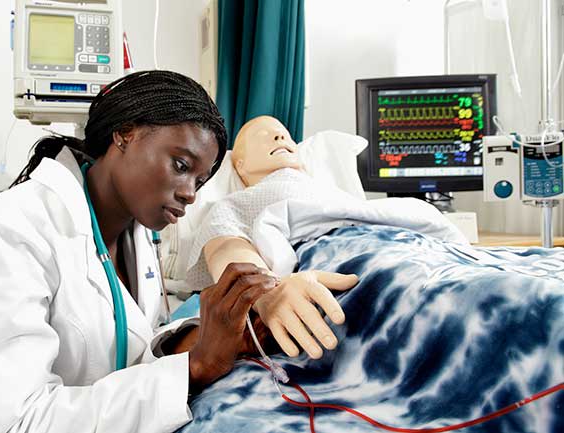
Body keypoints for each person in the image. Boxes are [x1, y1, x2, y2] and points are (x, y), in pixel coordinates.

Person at [0, 71, 278, 433]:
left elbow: (124, 353)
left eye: (199, 181)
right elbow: (14, 422)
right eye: (181, 166)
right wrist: (194, 367)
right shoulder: (10, 230)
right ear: (125, 133)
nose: (190, 193)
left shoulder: (136, 236)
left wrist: (194, 341)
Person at [189, 115, 466, 361]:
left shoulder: (335, 194)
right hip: (337, 260)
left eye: (285, 134)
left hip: (407, 246)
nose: (280, 136)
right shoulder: (237, 202)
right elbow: (225, 246)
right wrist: (266, 293)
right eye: (263, 136)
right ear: (240, 166)